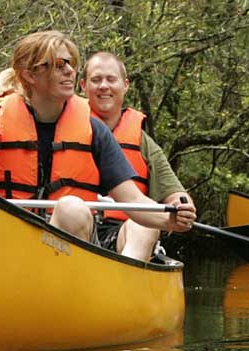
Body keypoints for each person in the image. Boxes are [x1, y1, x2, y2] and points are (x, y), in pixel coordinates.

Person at [0, 31, 195, 259]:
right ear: (30, 75)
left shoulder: (94, 130)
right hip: (5, 252)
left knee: (72, 207)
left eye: (71, 64)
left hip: (65, 264)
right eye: (59, 64)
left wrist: (170, 220)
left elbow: (133, 201)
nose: (70, 71)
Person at [81, 51, 195, 261]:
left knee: (143, 226)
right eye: (96, 80)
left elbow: (177, 194)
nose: (104, 86)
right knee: (71, 212)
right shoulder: (63, 130)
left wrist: (182, 208)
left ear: (125, 85)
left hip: (123, 233)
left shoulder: (144, 144)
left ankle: (122, 284)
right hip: (78, 230)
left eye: (111, 79)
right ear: (83, 86)